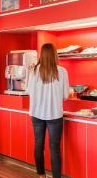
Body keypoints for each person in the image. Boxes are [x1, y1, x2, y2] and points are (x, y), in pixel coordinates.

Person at [27, 43, 69, 178]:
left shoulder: (33, 71)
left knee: (38, 144)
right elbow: (65, 96)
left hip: (36, 113)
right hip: (54, 115)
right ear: (54, 55)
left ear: (41, 55)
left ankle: (41, 175)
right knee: (54, 148)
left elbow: (28, 91)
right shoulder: (62, 71)